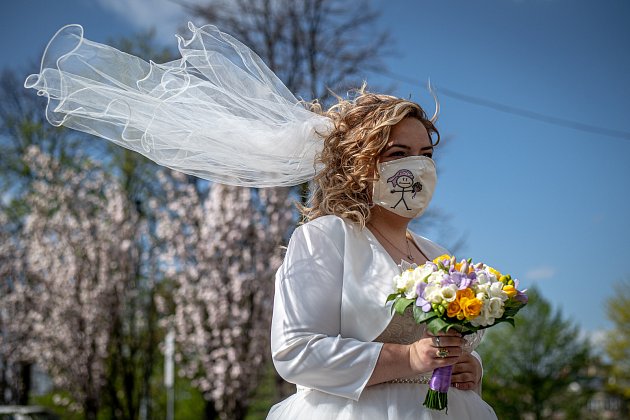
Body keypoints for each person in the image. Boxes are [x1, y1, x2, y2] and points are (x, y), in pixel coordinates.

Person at [267, 91, 497, 419]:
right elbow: (296, 352)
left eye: (426, 154)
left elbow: (448, 347)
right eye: (399, 153)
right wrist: (408, 359)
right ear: (359, 162)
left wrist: (470, 368)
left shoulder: (438, 256)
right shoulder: (325, 237)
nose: (417, 166)